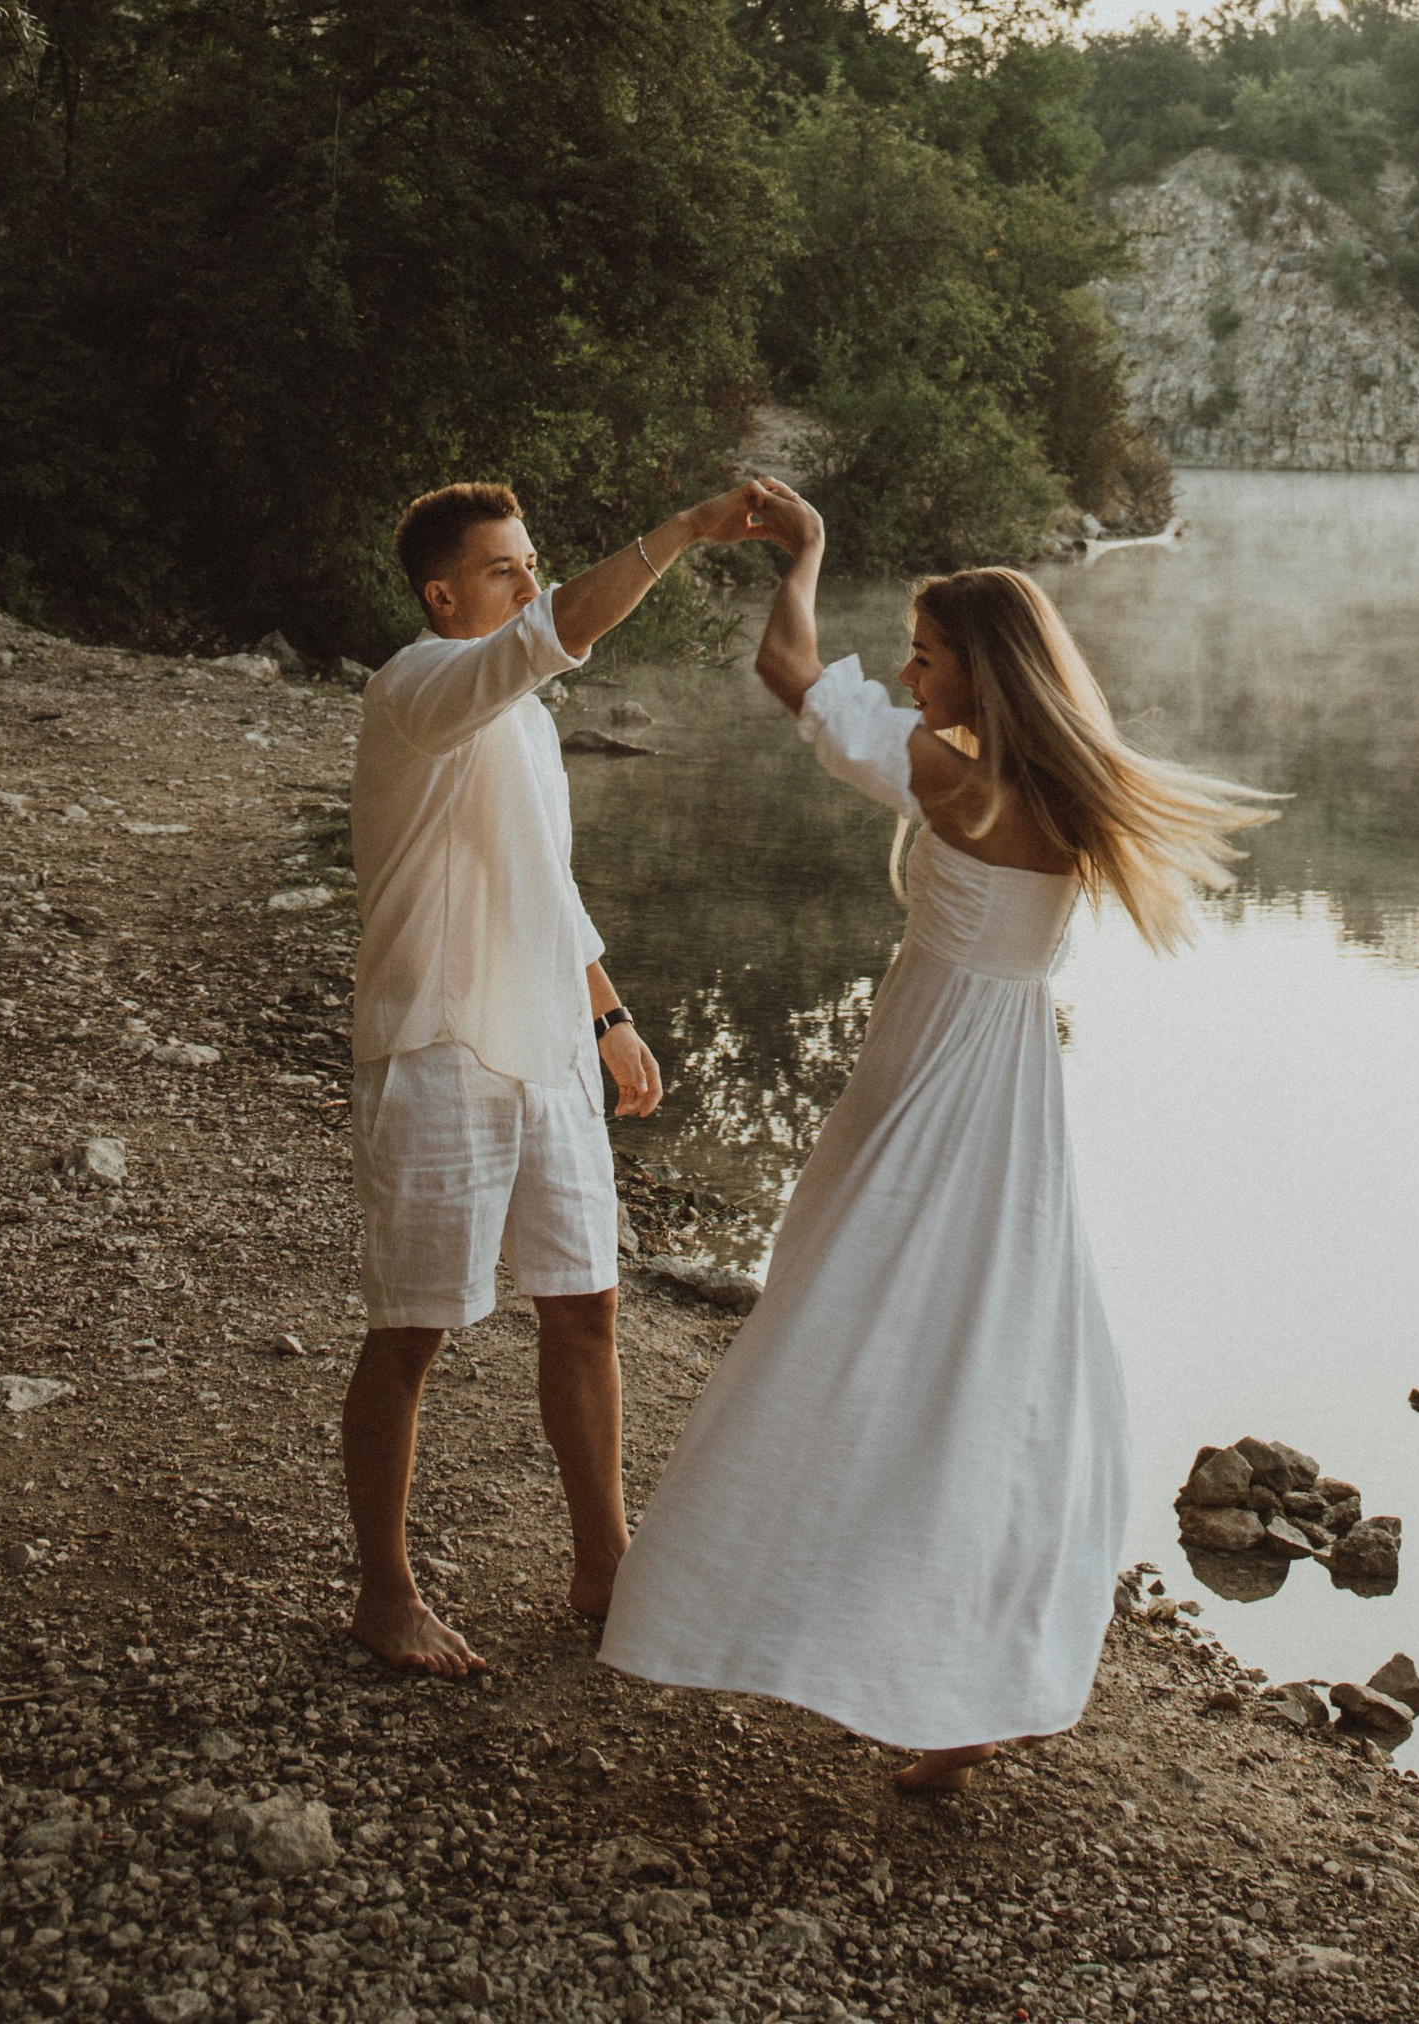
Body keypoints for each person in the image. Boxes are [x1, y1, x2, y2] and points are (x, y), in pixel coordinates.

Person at [598, 479, 1275, 1789]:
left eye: (924, 657)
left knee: (846, 1318)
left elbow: (782, 664)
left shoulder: (949, 784)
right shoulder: (1074, 803)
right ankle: (962, 1670)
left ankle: (809, 1618)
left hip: (926, 1074)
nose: (906, 677)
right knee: (989, 1337)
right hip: (1015, 1084)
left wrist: (808, 548)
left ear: (983, 675)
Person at [343, 472, 752, 1678]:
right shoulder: (419, 687)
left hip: (551, 1051)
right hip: (434, 1051)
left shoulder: (518, 713)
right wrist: (679, 530)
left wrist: (611, 1013)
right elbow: (563, 628)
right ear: (443, 595)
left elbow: (547, 880)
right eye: (506, 569)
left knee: (588, 1310)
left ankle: (605, 1568)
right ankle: (384, 1592)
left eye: (532, 560)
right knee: (412, 1333)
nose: (530, 580)